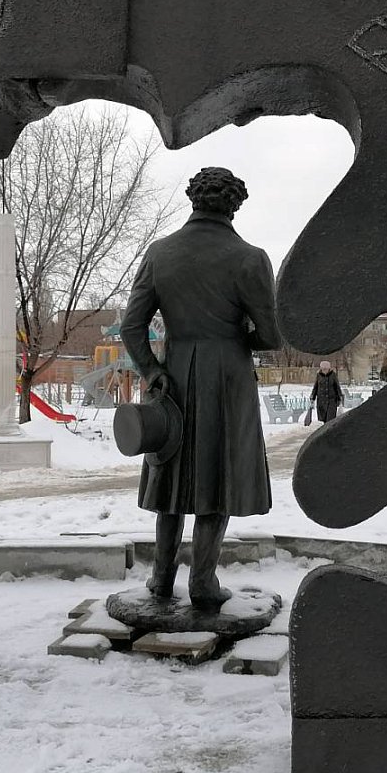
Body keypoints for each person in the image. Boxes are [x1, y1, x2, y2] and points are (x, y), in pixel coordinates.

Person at [120, 167, 280, 608]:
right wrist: (238, 335)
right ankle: (203, 582)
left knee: (170, 478)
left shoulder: (160, 253)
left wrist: (152, 371)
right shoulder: (250, 258)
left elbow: (132, 327)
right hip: (228, 379)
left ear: (193, 199)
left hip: (172, 378)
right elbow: (271, 335)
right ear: (235, 205)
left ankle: (161, 578)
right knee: (219, 477)